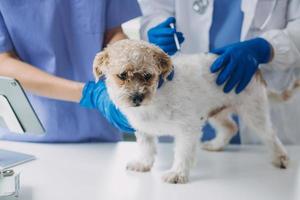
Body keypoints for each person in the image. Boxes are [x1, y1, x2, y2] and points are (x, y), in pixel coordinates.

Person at [139, 0, 300, 144]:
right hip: (182, 103)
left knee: (267, 168)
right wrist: (157, 28)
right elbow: (155, 10)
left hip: (268, 98)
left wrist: (267, 47)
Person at [0, 0, 140, 142]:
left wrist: (128, 62)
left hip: (101, 130)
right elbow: (3, 62)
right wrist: (88, 93)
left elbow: (113, 34)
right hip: (27, 135)